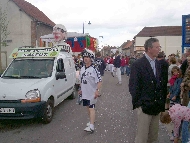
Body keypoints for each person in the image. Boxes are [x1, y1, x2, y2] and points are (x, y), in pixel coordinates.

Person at [129, 38, 166, 143]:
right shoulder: (138, 64)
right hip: (144, 107)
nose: (159, 49)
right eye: (157, 47)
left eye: (159, 47)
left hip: (156, 107)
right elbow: (133, 86)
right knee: (142, 138)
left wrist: (162, 105)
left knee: (153, 138)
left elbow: (161, 85)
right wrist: (139, 104)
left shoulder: (159, 64)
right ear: (149, 49)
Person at [78, 48, 102, 133]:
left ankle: (91, 126)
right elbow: (81, 80)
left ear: (91, 58)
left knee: (91, 108)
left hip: (92, 93)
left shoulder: (94, 69)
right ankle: (92, 120)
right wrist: (81, 89)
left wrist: (97, 90)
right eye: (84, 57)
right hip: (85, 93)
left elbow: (99, 81)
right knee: (87, 108)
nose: (85, 58)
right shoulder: (82, 69)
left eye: (87, 57)